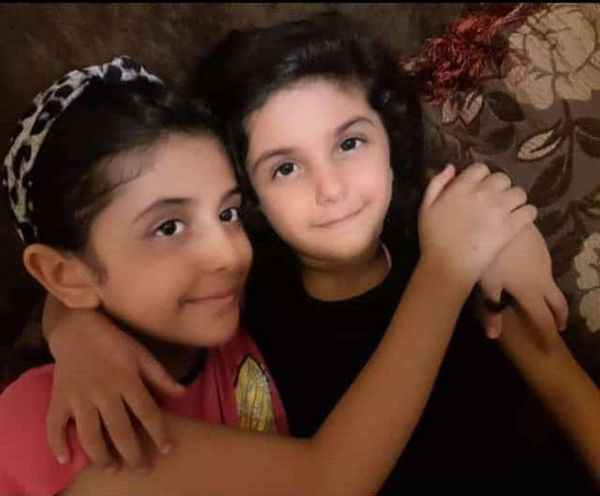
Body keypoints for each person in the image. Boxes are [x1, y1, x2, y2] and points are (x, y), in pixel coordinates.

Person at [37, 13, 599, 491]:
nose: (330, 189)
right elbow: (104, 278)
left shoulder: (458, 235)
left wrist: (492, 227)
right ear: (247, 193)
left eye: (350, 143)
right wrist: (75, 329)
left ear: (390, 139)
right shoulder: (238, 305)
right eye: (285, 168)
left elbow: (569, 393)